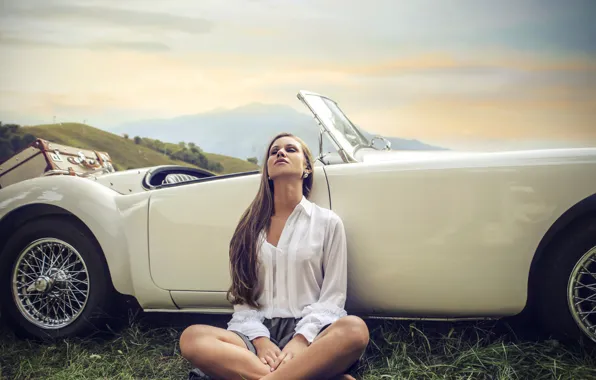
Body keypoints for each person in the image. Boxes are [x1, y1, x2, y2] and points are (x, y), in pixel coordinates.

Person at [180, 132, 369, 380]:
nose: (280, 153)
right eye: (274, 151)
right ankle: (300, 375)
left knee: (355, 330)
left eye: (291, 150)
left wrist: (301, 339)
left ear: (306, 168)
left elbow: (333, 298)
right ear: (268, 171)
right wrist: (260, 341)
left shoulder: (327, 222)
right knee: (193, 338)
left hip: (310, 331)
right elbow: (243, 296)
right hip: (254, 333)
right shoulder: (248, 227)